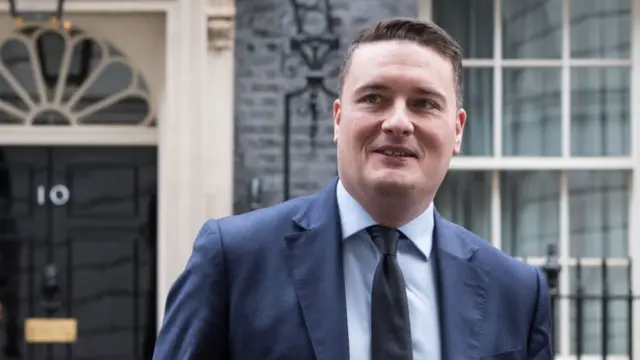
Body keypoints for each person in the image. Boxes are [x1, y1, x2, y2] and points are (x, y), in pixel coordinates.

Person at [152, 17, 553, 360]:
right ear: (337, 119)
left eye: (424, 103)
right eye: (374, 98)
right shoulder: (234, 260)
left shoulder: (516, 292)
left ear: (458, 129)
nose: (398, 122)